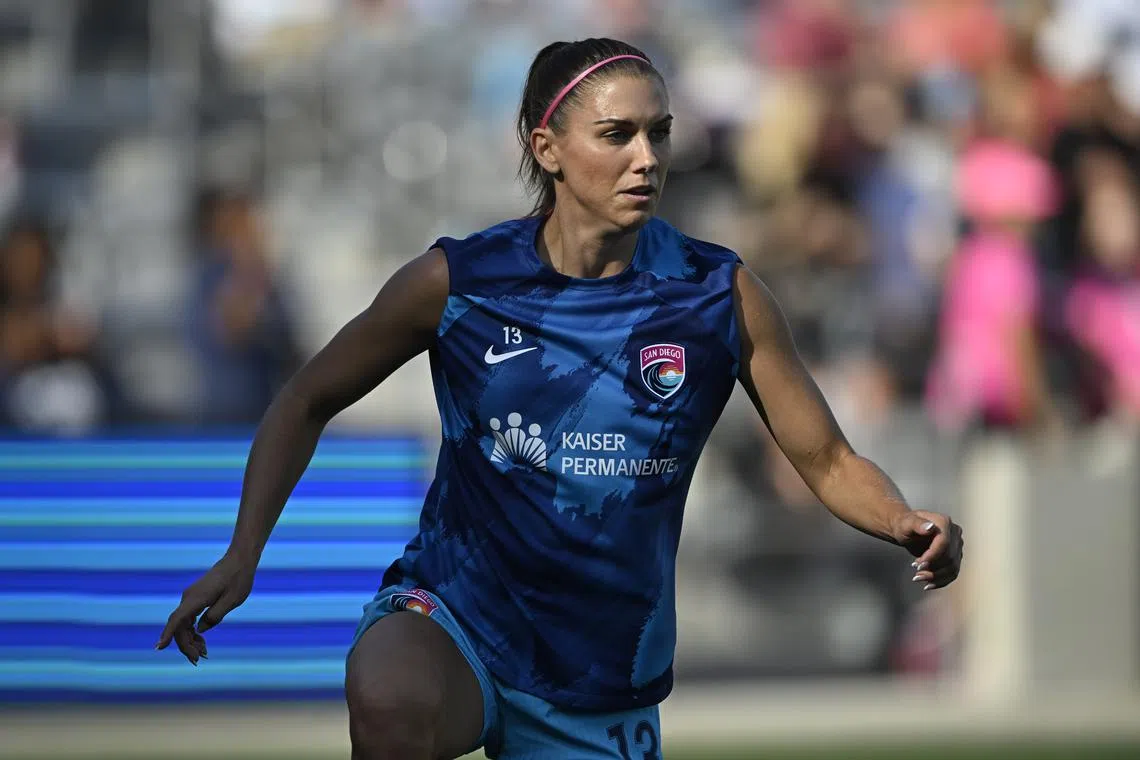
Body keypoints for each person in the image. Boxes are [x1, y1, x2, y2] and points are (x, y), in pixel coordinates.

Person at [157, 38, 964, 760]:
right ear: (547, 147)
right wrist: (243, 552)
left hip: (599, 675)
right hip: (456, 615)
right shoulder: (459, 282)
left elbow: (826, 457)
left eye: (659, 133)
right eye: (617, 135)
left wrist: (901, 519)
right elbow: (305, 397)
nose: (646, 157)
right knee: (390, 697)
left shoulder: (718, 295)